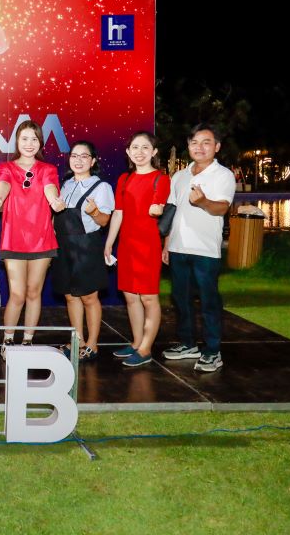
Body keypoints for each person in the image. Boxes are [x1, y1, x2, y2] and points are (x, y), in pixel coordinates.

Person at [161, 125, 236, 372]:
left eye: (206, 142)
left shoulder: (223, 175)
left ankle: (213, 351)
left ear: (217, 147)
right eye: (194, 142)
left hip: (205, 250)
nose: (199, 147)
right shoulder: (179, 176)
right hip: (178, 247)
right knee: (180, 299)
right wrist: (167, 244)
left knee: (208, 301)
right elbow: (172, 211)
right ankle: (188, 344)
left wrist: (203, 201)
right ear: (188, 146)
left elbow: (222, 208)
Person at [0, 120, 64, 358]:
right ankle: (8, 339)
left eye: (34, 139)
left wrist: (54, 201)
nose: (29, 144)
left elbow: (50, 188)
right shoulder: (6, 167)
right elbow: (3, 185)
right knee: (17, 294)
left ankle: (28, 341)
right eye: (24, 139)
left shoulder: (48, 169)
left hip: (42, 239)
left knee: (34, 292)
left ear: (40, 142)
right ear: (17, 142)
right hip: (14, 238)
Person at [104, 131, 170, 367]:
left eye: (145, 147)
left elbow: (160, 205)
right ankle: (136, 342)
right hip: (127, 245)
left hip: (148, 246)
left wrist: (157, 207)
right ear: (128, 152)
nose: (139, 152)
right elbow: (118, 213)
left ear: (154, 152)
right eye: (135, 147)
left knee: (149, 297)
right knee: (131, 297)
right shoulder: (124, 179)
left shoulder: (161, 179)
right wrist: (109, 242)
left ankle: (146, 349)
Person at [52, 141, 114, 363]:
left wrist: (94, 211)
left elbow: (104, 221)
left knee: (89, 297)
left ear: (93, 161)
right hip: (64, 246)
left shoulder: (101, 187)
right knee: (70, 296)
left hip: (87, 246)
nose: (78, 160)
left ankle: (92, 344)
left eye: (84, 156)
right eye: (74, 156)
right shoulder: (65, 185)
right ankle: (77, 341)